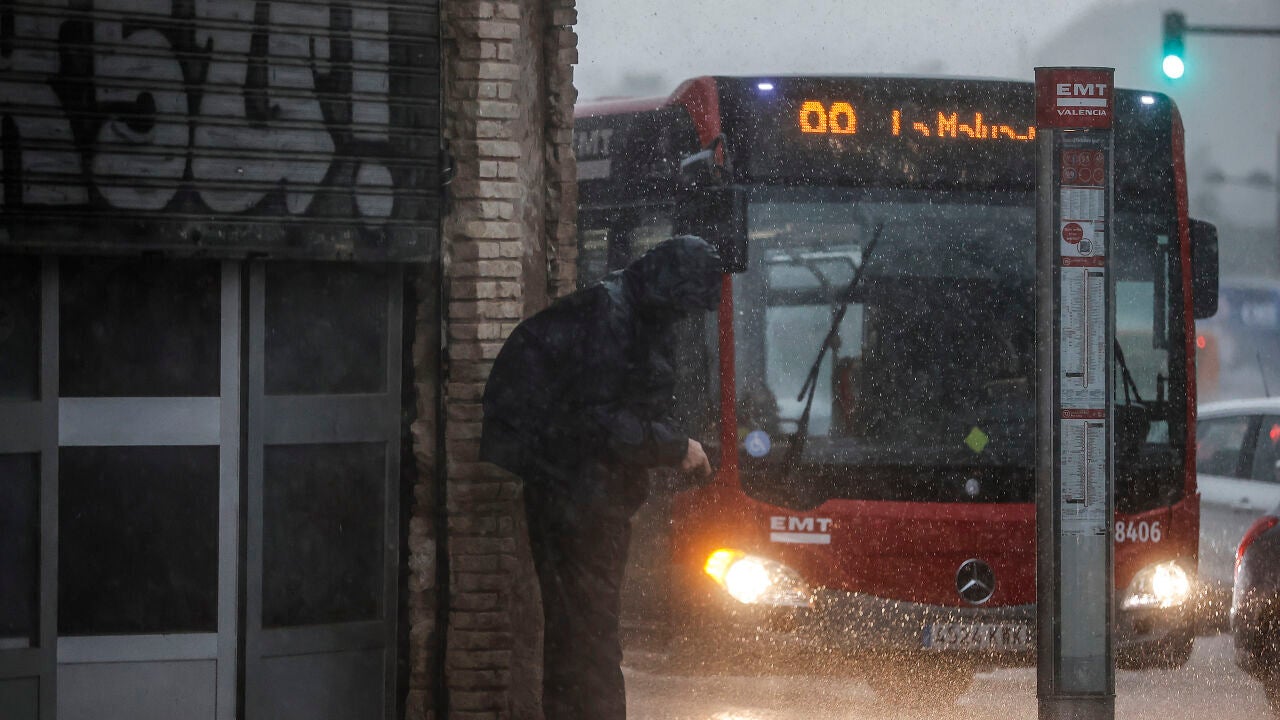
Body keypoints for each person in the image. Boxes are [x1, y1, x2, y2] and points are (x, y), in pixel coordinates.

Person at [479, 235, 722, 719]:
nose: (684, 319)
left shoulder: (629, 310)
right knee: (590, 635)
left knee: (578, 632)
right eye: (684, 307)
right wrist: (676, 449)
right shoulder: (612, 318)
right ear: (671, 289)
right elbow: (601, 418)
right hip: (575, 494)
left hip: (576, 489)